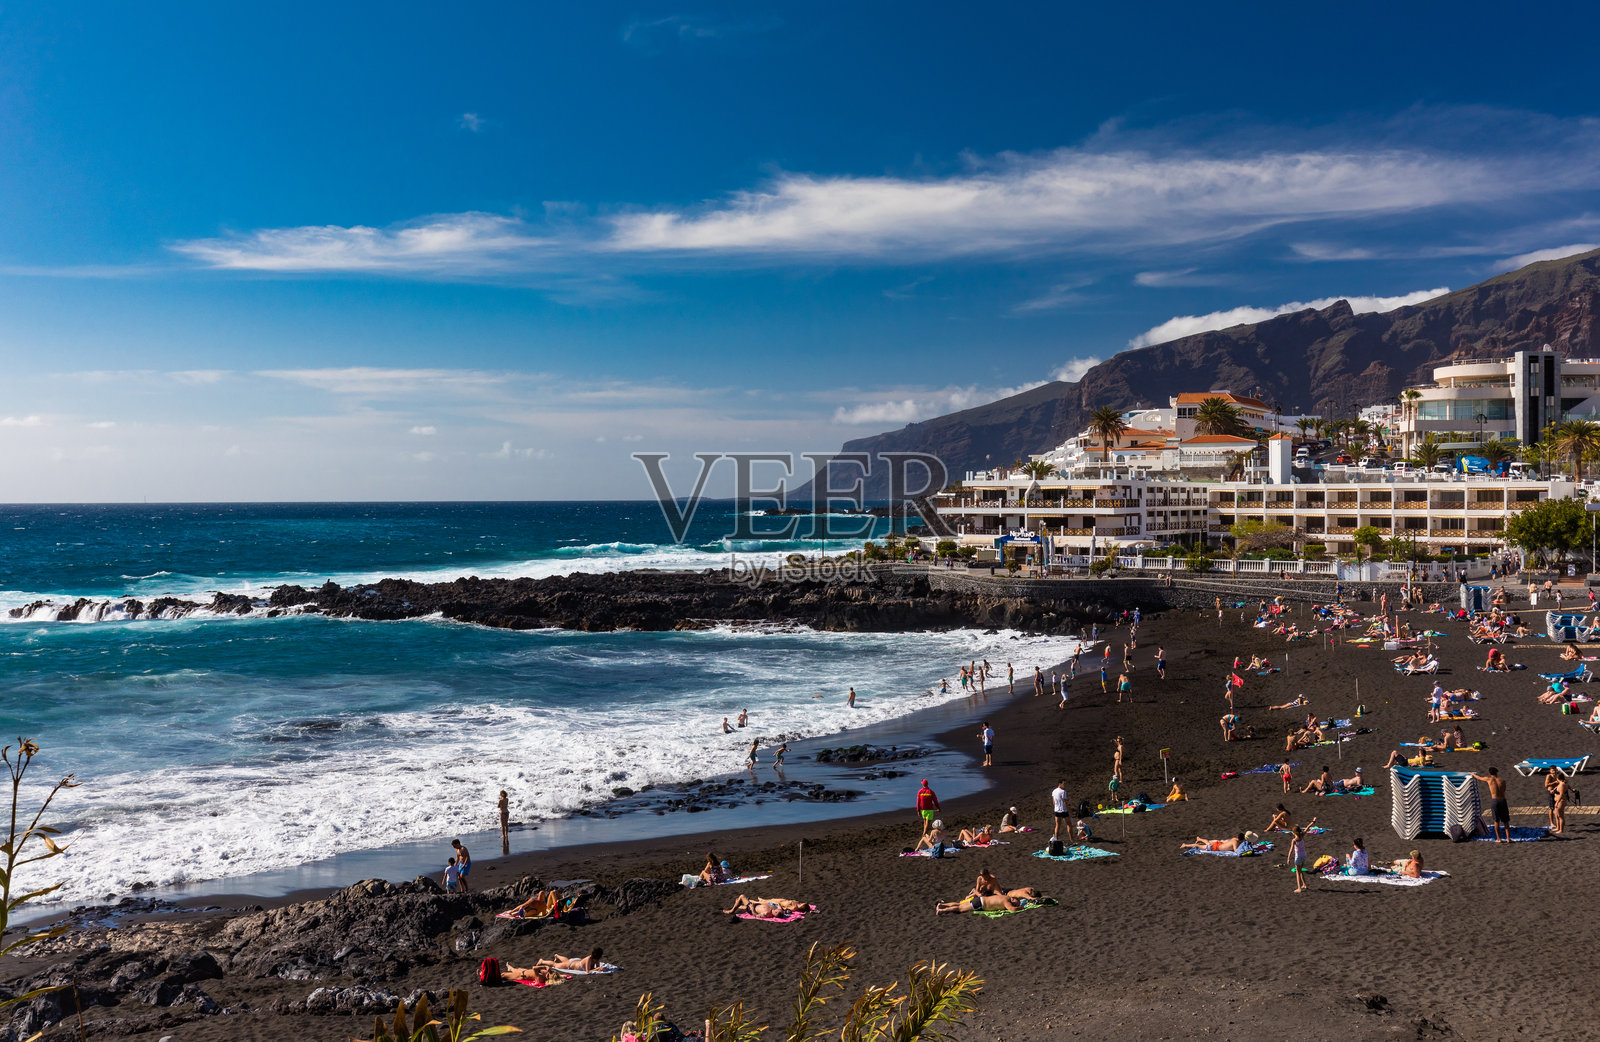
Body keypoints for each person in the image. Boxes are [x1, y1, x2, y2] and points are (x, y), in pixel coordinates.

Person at [1472, 767, 1510, 842]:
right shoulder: (1502, 781)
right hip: (1502, 800)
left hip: (1495, 800)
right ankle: (1508, 839)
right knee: (1506, 821)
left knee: (1496, 820)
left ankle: (1499, 839)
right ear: (1497, 773)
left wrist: (1472, 774)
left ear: (1490, 773)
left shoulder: (1489, 779)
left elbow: (1479, 778)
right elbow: (1504, 790)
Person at [935, 892, 1025, 915]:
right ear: (1013, 899)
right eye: (1016, 903)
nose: (1015, 905)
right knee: (959, 909)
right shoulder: (1007, 901)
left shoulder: (1004, 896)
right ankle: (941, 911)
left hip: (979, 900)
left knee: (959, 904)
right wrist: (1020, 908)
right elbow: (1012, 910)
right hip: (980, 904)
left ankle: (942, 905)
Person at [722, 896, 813, 917]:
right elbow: (781, 908)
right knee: (745, 901)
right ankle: (739, 904)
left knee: (742, 897)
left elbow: (757, 915)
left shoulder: (768, 913)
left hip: (753, 908)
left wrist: (753, 909)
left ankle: (732, 910)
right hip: (764, 905)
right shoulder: (777, 910)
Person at [535, 948, 605, 971]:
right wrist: (597, 969)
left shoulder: (597, 959)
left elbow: (597, 967)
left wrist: (599, 968)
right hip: (571, 964)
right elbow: (588, 971)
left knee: (566, 961)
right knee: (555, 965)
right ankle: (542, 961)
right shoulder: (589, 959)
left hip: (576, 961)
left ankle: (557, 956)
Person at [1288, 826, 1309, 893]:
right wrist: (1313, 822)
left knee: (1297, 872)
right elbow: (1307, 828)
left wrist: (1288, 858)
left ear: (1294, 832)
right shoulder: (1302, 836)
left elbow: (1291, 850)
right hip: (1304, 856)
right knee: (1300, 871)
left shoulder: (1294, 840)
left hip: (1298, 857)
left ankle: (1299, 888)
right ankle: (1304, 884)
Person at [1178, 833, 1246, 853]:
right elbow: (1236, 850)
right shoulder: (1235, 842)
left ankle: (1199, 838)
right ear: (1241, 840)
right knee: (1198, 846)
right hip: (1215, 847)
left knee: (1207, 842)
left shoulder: (1234, 838)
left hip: (1219, 844)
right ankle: (1185, 845)